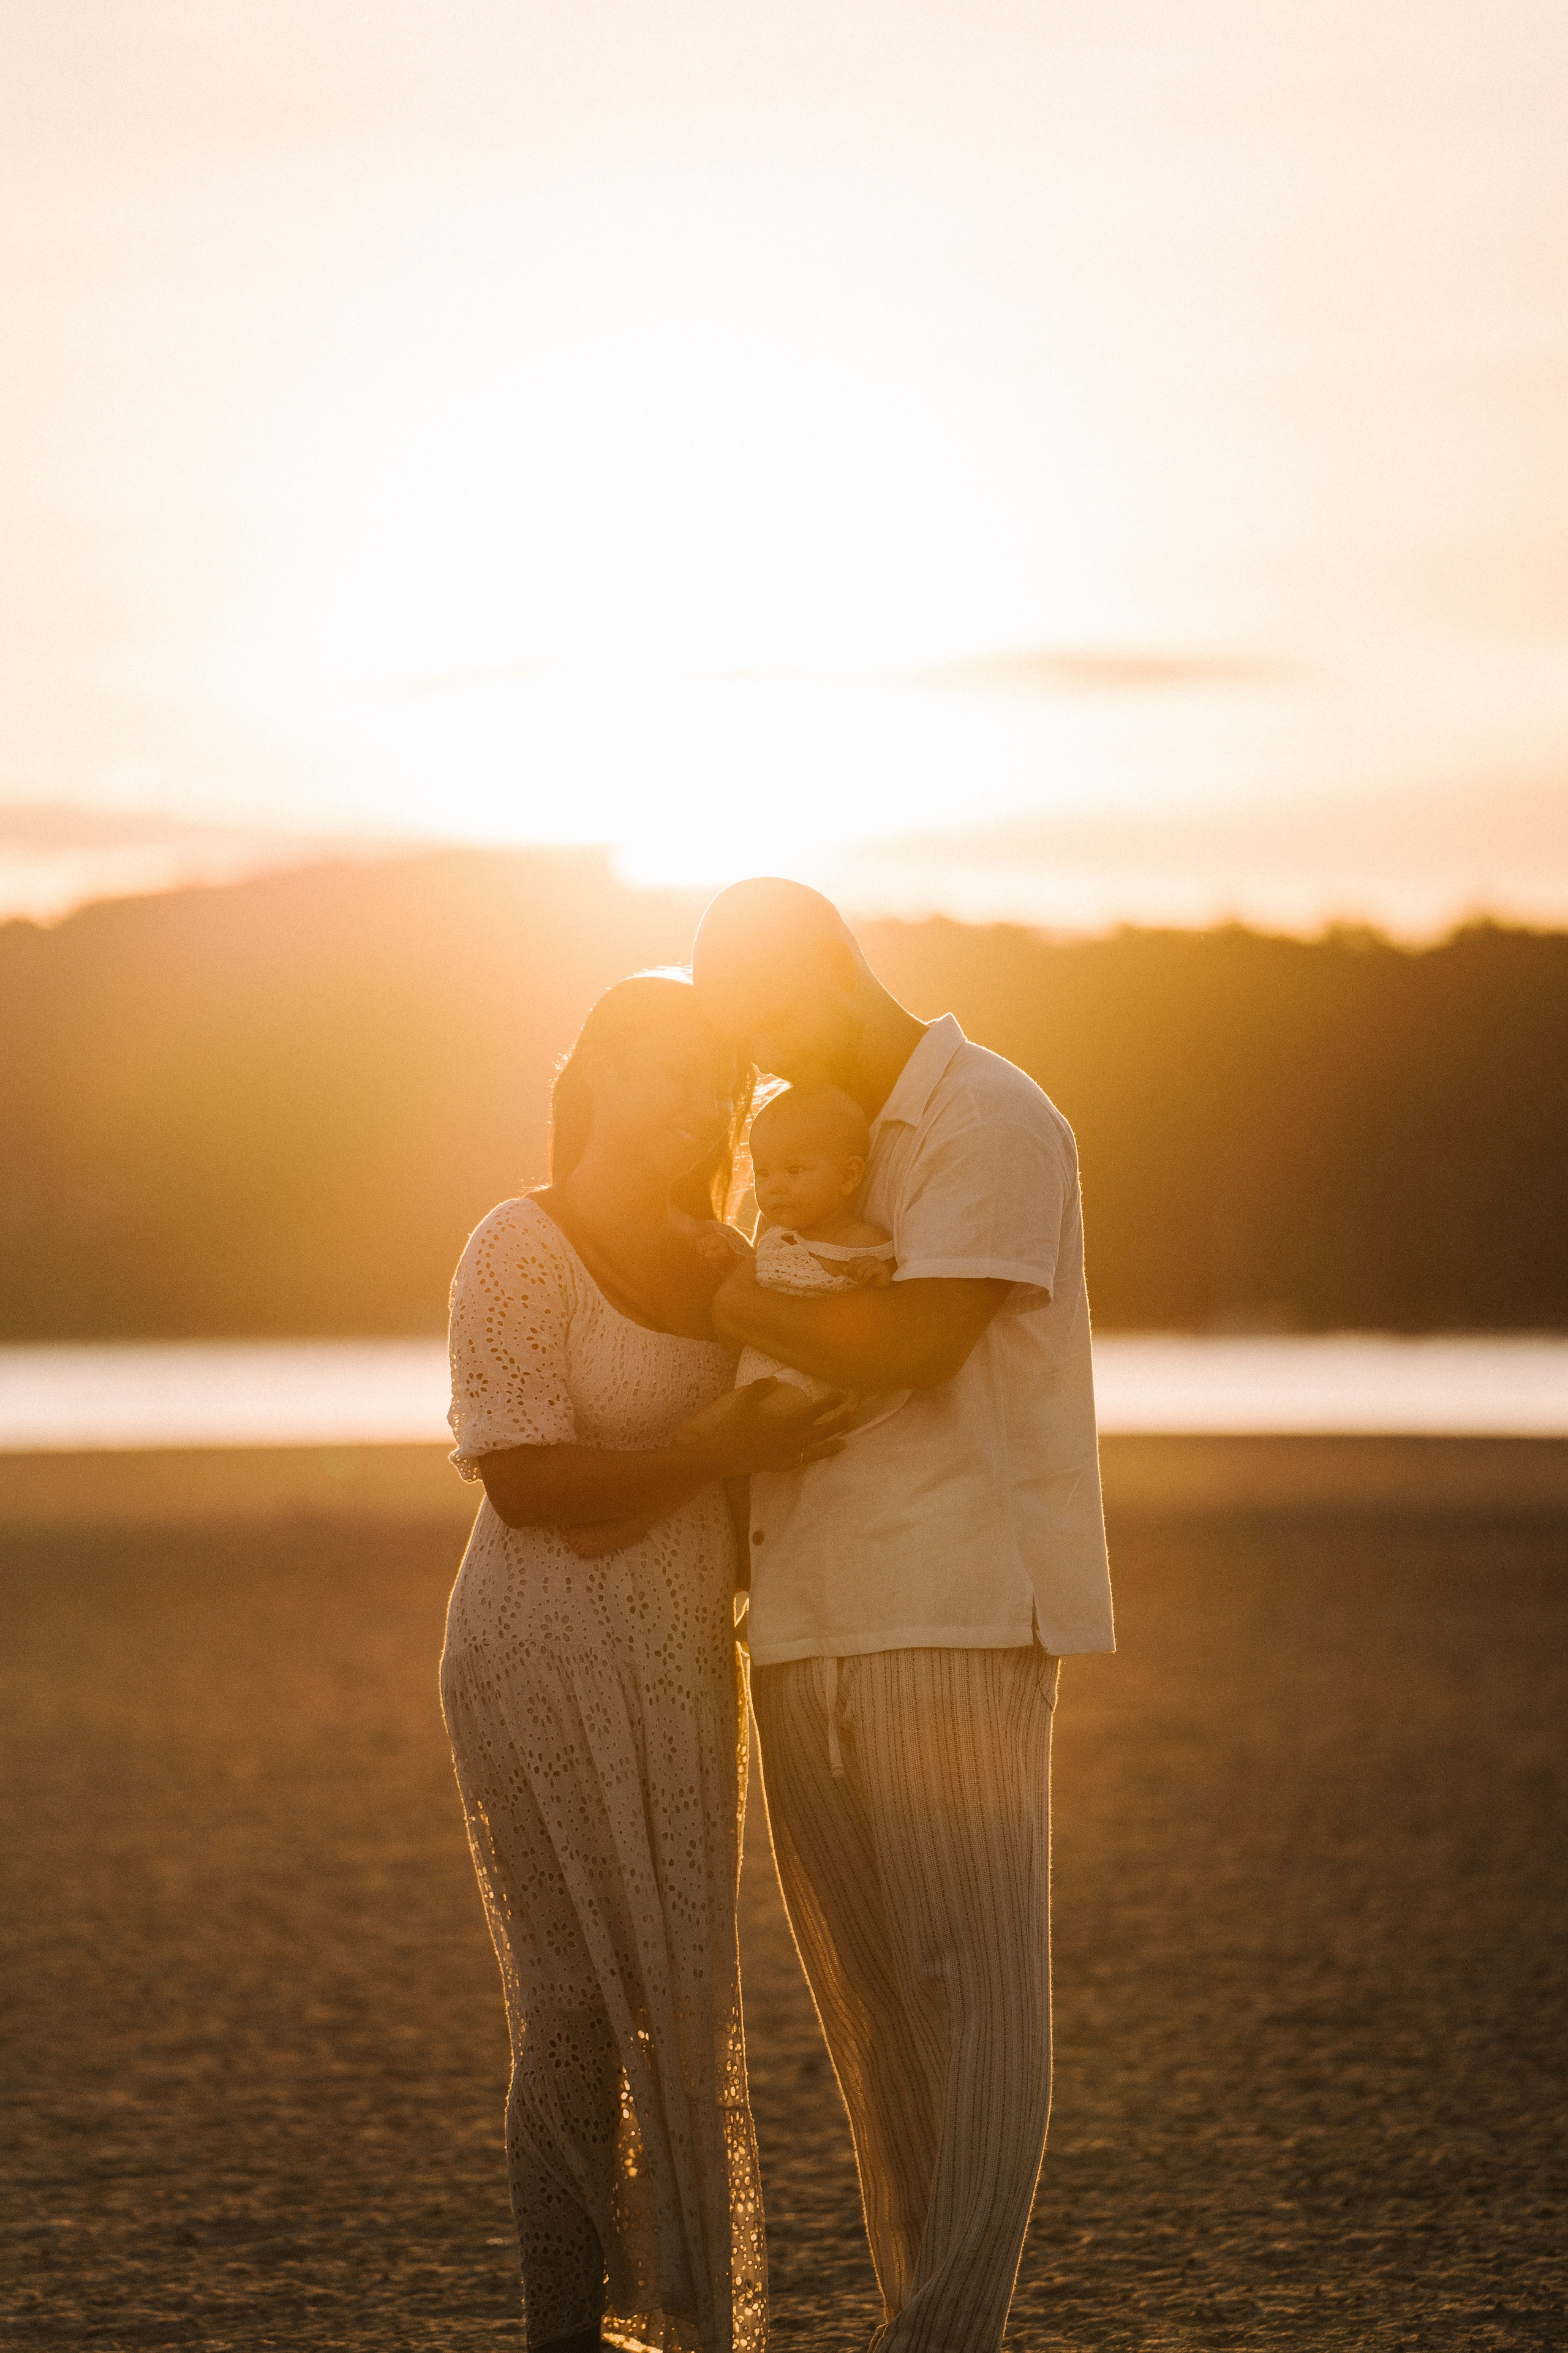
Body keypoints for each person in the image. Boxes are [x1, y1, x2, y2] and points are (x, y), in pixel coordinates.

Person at [691, 880, 1116, 2353]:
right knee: (872, 2020)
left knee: (971, 1992)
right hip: (800, 1614)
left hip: (949, 1598)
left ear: (828, 967)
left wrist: (724, 1294)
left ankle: (945, 2333)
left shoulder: (983, 1116)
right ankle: (921, 2321)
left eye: (759, 1015)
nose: (753, 1059)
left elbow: (915, 1340)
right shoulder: (803, 1143)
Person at [439, 972, 848, 2353]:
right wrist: (710, 1451)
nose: (700, 1105)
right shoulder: (517, 1244)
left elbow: (815, 1393)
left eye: (721, 1082)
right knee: (566, 2010)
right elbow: (521, 1483)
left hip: (679, 1656)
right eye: (672, 1069)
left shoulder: (728, 1256)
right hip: (533, 1650)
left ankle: (682, 2328)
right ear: (599, 1069)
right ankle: (563, 2327)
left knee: (680, 1995)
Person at [732, 1081, 898, 1413]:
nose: (775, 1187)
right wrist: (723, 1255)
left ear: (848, 1176)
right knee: (693, 1434)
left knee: (733, 1425)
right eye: (763, 1173)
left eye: (794, 1170)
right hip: (758, 1369)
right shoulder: (775, 1237)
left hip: (811, 1378)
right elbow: (746, 1281)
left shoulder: (864, 1240)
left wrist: (882, 1275)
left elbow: (896, 1307)